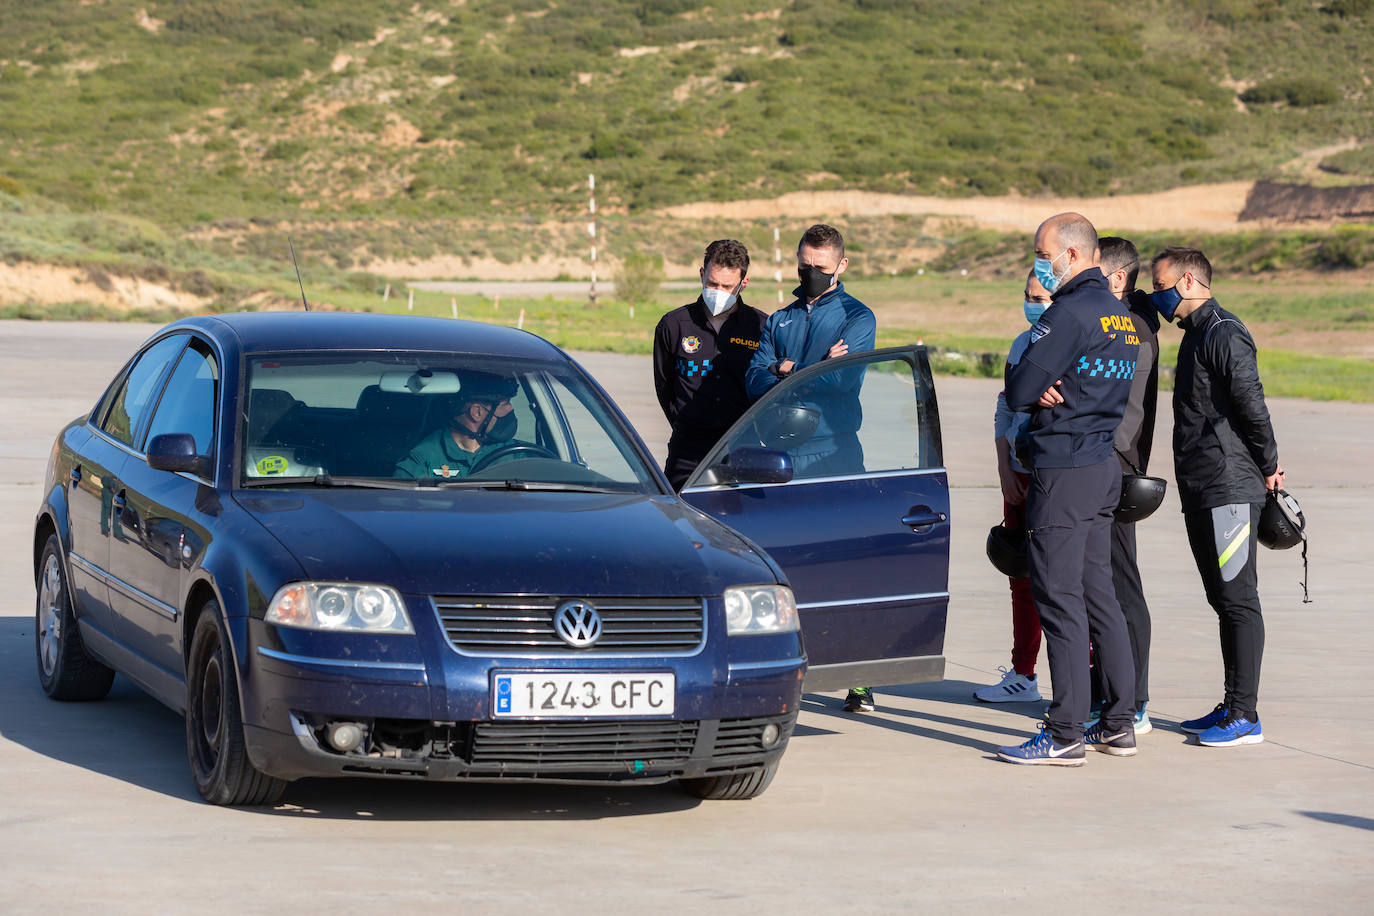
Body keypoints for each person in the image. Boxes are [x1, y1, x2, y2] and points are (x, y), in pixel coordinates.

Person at [998, 212, 1139, 766]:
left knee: (1059, 598)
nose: (1039, 262)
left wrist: (1037, 388)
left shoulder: (1070, 312)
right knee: (1099, 595)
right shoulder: (1119, 315)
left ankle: (1064, 732)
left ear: (1074, 255)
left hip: (1065, 468)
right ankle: (1119, 721)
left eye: (1043, 252)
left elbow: (1018, 386)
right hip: (1102, 464)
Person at [1152, 246, 1283, 748]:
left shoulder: (1225, 332)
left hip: (1230, 486)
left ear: (1188, 281)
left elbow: (1253, 406)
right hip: (1201, 484)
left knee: (1238, 597)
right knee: (1220, 597)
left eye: (1163, 285)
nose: (1158, 295)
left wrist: (1270, 465)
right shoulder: (1196, 333)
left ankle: (1245, 714)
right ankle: (1231, 703)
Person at [746, 223, 877, 713]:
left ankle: (859, 675)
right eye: (804, 265)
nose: (811, 273)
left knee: (845, 564)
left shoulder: (856, 317)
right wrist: (806, 368)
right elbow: (753, 381)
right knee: (784, 567)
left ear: (842, 266)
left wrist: (787, 371)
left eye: (821, 267)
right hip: (780, 456)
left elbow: (841, 382)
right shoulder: (779, 319)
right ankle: (788, 668)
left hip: (834, 451)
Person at [1090, 236, 1160, 734]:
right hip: (1102, 464)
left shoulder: (1130, 331)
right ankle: (1108, 693)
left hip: (1113, 465)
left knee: (1121, 584)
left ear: (1117, 278)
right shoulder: (1118, 323)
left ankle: (1134, 700)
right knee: (1100, 584)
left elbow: (1121, 413)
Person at [974, 269, 1052, 704]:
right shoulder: (1021, 345)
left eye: (1040, 297)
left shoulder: (1068, 344)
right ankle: (1023, 674)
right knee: (1019, 578)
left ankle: (1090, 682)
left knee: (1060, 581)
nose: (1032, 304)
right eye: (1027, 295)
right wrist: (1004, 467)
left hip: (1053, 476)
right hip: (1018, 475)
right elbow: (1005, 406)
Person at [652, 239, 766, 490]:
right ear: (702, 275)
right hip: (687, 451)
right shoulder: (674, 324)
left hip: (742, 450)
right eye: (712, 283)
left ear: (743, 284)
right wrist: (687, 422)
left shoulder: (760, 327)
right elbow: (664, 386)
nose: (718, 291)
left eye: (727, 286)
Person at [395, 371, 519, 480]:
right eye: (506, 403)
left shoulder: (516, 452)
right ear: (477, 412)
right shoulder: (422, 459)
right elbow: (400, 502)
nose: (511, 408)